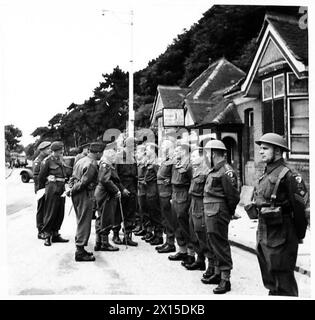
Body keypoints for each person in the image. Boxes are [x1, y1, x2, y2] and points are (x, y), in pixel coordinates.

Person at [249, 133, 309, 296]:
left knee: (284, 283)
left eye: (265, 148)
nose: (260, 152)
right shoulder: (266, 173)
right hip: (264, 233)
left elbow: (300, 210)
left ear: (277, 151)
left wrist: (297, 235)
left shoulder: (290, 175)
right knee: (270, 280)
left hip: (282, 235)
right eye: (260, 148)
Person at [201, 139, 240, 294]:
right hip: (210, 211)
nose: (204, 156)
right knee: (212, 242)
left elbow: (233, 197)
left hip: (218, 212)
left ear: (214, 154)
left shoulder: (226, 171)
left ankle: (225, 279)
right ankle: (217, 274)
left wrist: (228, 213)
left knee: (220, 244)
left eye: (206, 153)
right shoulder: (214, 170)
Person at [69, 142, 104, 262]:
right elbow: (84, 183)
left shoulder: (81, 160)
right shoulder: (92, 164)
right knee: (84, 222)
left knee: (80, 220)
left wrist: (71, 188)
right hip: (84, 194)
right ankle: (80, 251)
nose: (102, 155)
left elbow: (73, 177)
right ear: (98, 153)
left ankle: (80, 247)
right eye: (102, 153)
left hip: (78, 194)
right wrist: (72, 190)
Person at [94, 148, 130, 251]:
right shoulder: (106, 164)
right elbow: (105, 180)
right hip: (106, 194)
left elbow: (114, 180)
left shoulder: (106, 164)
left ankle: (99, 242)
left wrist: (120, 188)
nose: (115, 158)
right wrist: (116, 190)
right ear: (109, 156)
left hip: (103, 192)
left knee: (101, 217)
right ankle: (104, 243)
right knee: (106, 217)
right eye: (113, 156)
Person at [184, 147, 212, 272]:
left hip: (201, 205)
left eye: (194, 156)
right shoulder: (196, 170)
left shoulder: (207, 171)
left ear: (202, 157)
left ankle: (211, 266)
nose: (191, 158)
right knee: (194, 232)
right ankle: (199, 260)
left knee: (203, 235)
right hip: (193, 203)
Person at [38, 141, 72, 246]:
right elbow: (41, 177)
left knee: (59, 212)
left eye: (62, 150)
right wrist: (44, 189)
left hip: (61, 187)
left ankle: (56, 234)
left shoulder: (60, 159)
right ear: (54, 151)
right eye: (60, 150)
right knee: (50, 212)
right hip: (52, 187)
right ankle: (47, 235)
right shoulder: (47, 161)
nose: (62, 152)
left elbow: (65, 172)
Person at [168, 142, 193, 264]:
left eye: (177, 151)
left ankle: (191, 253)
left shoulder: (189, 166)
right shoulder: (176, 164)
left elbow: (192, 184)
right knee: (176, 225)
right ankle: (182, 251)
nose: (175, 153)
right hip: (176, 196)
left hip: (184, 197)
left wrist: (189, 201)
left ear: (183, 152)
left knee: (185, 226)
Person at [115, 137, 138, 246]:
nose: (134, 148)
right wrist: (121, 188)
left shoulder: (133, 157)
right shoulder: (119, 157)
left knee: (130, 212)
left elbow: (135, 175)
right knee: (118, 212)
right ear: (126, 145)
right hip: (122, 186)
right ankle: (115, 235)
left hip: (132, 187)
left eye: (135, 146)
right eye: (132, 146)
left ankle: (127, 236)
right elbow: (115, 175)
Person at [156, 139, 176, 253]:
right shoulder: (165, 160)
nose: (161, 149)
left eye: (163, 147)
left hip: (167, 194)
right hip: (162, 193)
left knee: (169, 220)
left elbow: (174, 178)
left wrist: (172, 195)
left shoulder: (172, 161)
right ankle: (167, 242)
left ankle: (171, 243)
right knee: (165, 219)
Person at [143, 143, 163, 245]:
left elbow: (159, 178)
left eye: (147, 149)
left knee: (156, 214)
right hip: (149, 191)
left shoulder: (156, 164)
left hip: (154, 191)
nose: (146, 152)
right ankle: (155, 234)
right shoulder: (149, 163)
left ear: (153, 151)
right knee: (151, 214)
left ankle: (159, 236)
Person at [32, 141, 51, 240]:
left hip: (47, 188)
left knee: (47, 209)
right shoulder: (38, 160)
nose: (50, 150)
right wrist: (41, 189)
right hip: (41, 188)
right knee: (41, 209)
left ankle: (47, 230)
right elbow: (35, 176)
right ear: (42, 150)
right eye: (48, 149)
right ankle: (40, 231)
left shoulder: (46, 159)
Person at [134, 144, 148, 237]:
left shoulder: (145, 164)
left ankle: (146, 228)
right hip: (138, 188)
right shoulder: (138, 163)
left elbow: (147, 178)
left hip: (144, 189)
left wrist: (140, 181)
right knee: (139, 209)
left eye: (138, 152)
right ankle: (141, 226)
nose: (136, 154)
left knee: (145, 210)